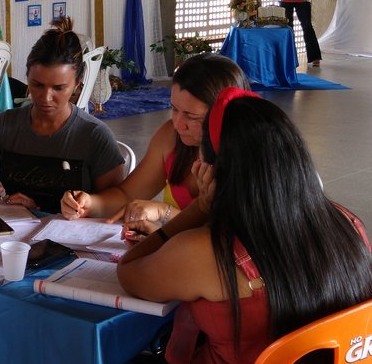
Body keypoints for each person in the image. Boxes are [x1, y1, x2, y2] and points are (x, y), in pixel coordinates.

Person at [109, 88, 372, 364]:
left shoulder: (213, 253)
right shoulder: (346, 225)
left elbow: (130, 273)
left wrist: (198, 210)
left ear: (215, 171)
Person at [0, 17, 126, 214]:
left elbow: (118, 201)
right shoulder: (6, 126)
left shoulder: (93, 135)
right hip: (16, 228)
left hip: (72, 230)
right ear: (27, 77)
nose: (46, 97)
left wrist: (85, 205)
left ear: (76, 85)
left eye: (59, 88)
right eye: (37, 85)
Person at [60, 54, 250, 238]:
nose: (178, 123)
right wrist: (89, 203)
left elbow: (232, 241)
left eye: (192, 117)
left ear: (225, 116)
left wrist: (165, 212)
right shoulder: (171, 138)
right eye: (174, 109)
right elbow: (127, 194)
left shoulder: (248, 158)